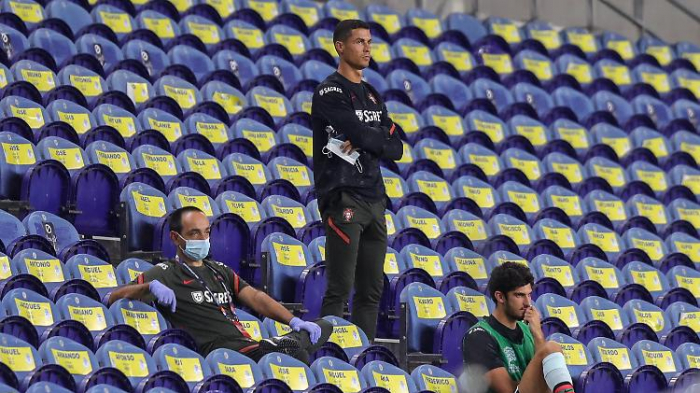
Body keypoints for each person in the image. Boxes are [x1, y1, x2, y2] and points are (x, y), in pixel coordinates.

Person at [109, 206, 333, 363]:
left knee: (325, 325)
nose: (203, 239)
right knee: (299, 355)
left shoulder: (219, 269)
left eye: (206, 232)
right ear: (175, 238)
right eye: (194, 233)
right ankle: (280, 345)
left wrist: (293, 320)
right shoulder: (165, 273)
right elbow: (111, 297)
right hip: (220, 350)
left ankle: (281, 343)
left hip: (248, 344)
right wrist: (149, 287)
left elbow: (255, 298)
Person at [311, 19, 403, 341]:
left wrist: (367, 137)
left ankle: (362, 356)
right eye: (360, 42)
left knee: (372, 290)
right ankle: (326, 352)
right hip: (343, 197)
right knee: (340, 287)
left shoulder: (373, 96)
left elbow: (397, 146)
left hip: (375, 201)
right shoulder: (329, 91)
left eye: (369, 42)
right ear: (340, 46)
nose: (367, 48)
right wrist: (370, 136)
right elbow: (364, 133)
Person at [462, 262, 576, 393]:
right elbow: (508, 390)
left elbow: (546, 380)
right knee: (551, 347)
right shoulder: (479, 336)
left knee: (551, 350)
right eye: (519, 295)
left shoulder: (529, 330)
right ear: (500, 297)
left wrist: (538, 334)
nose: (528, 303)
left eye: (529, 295)